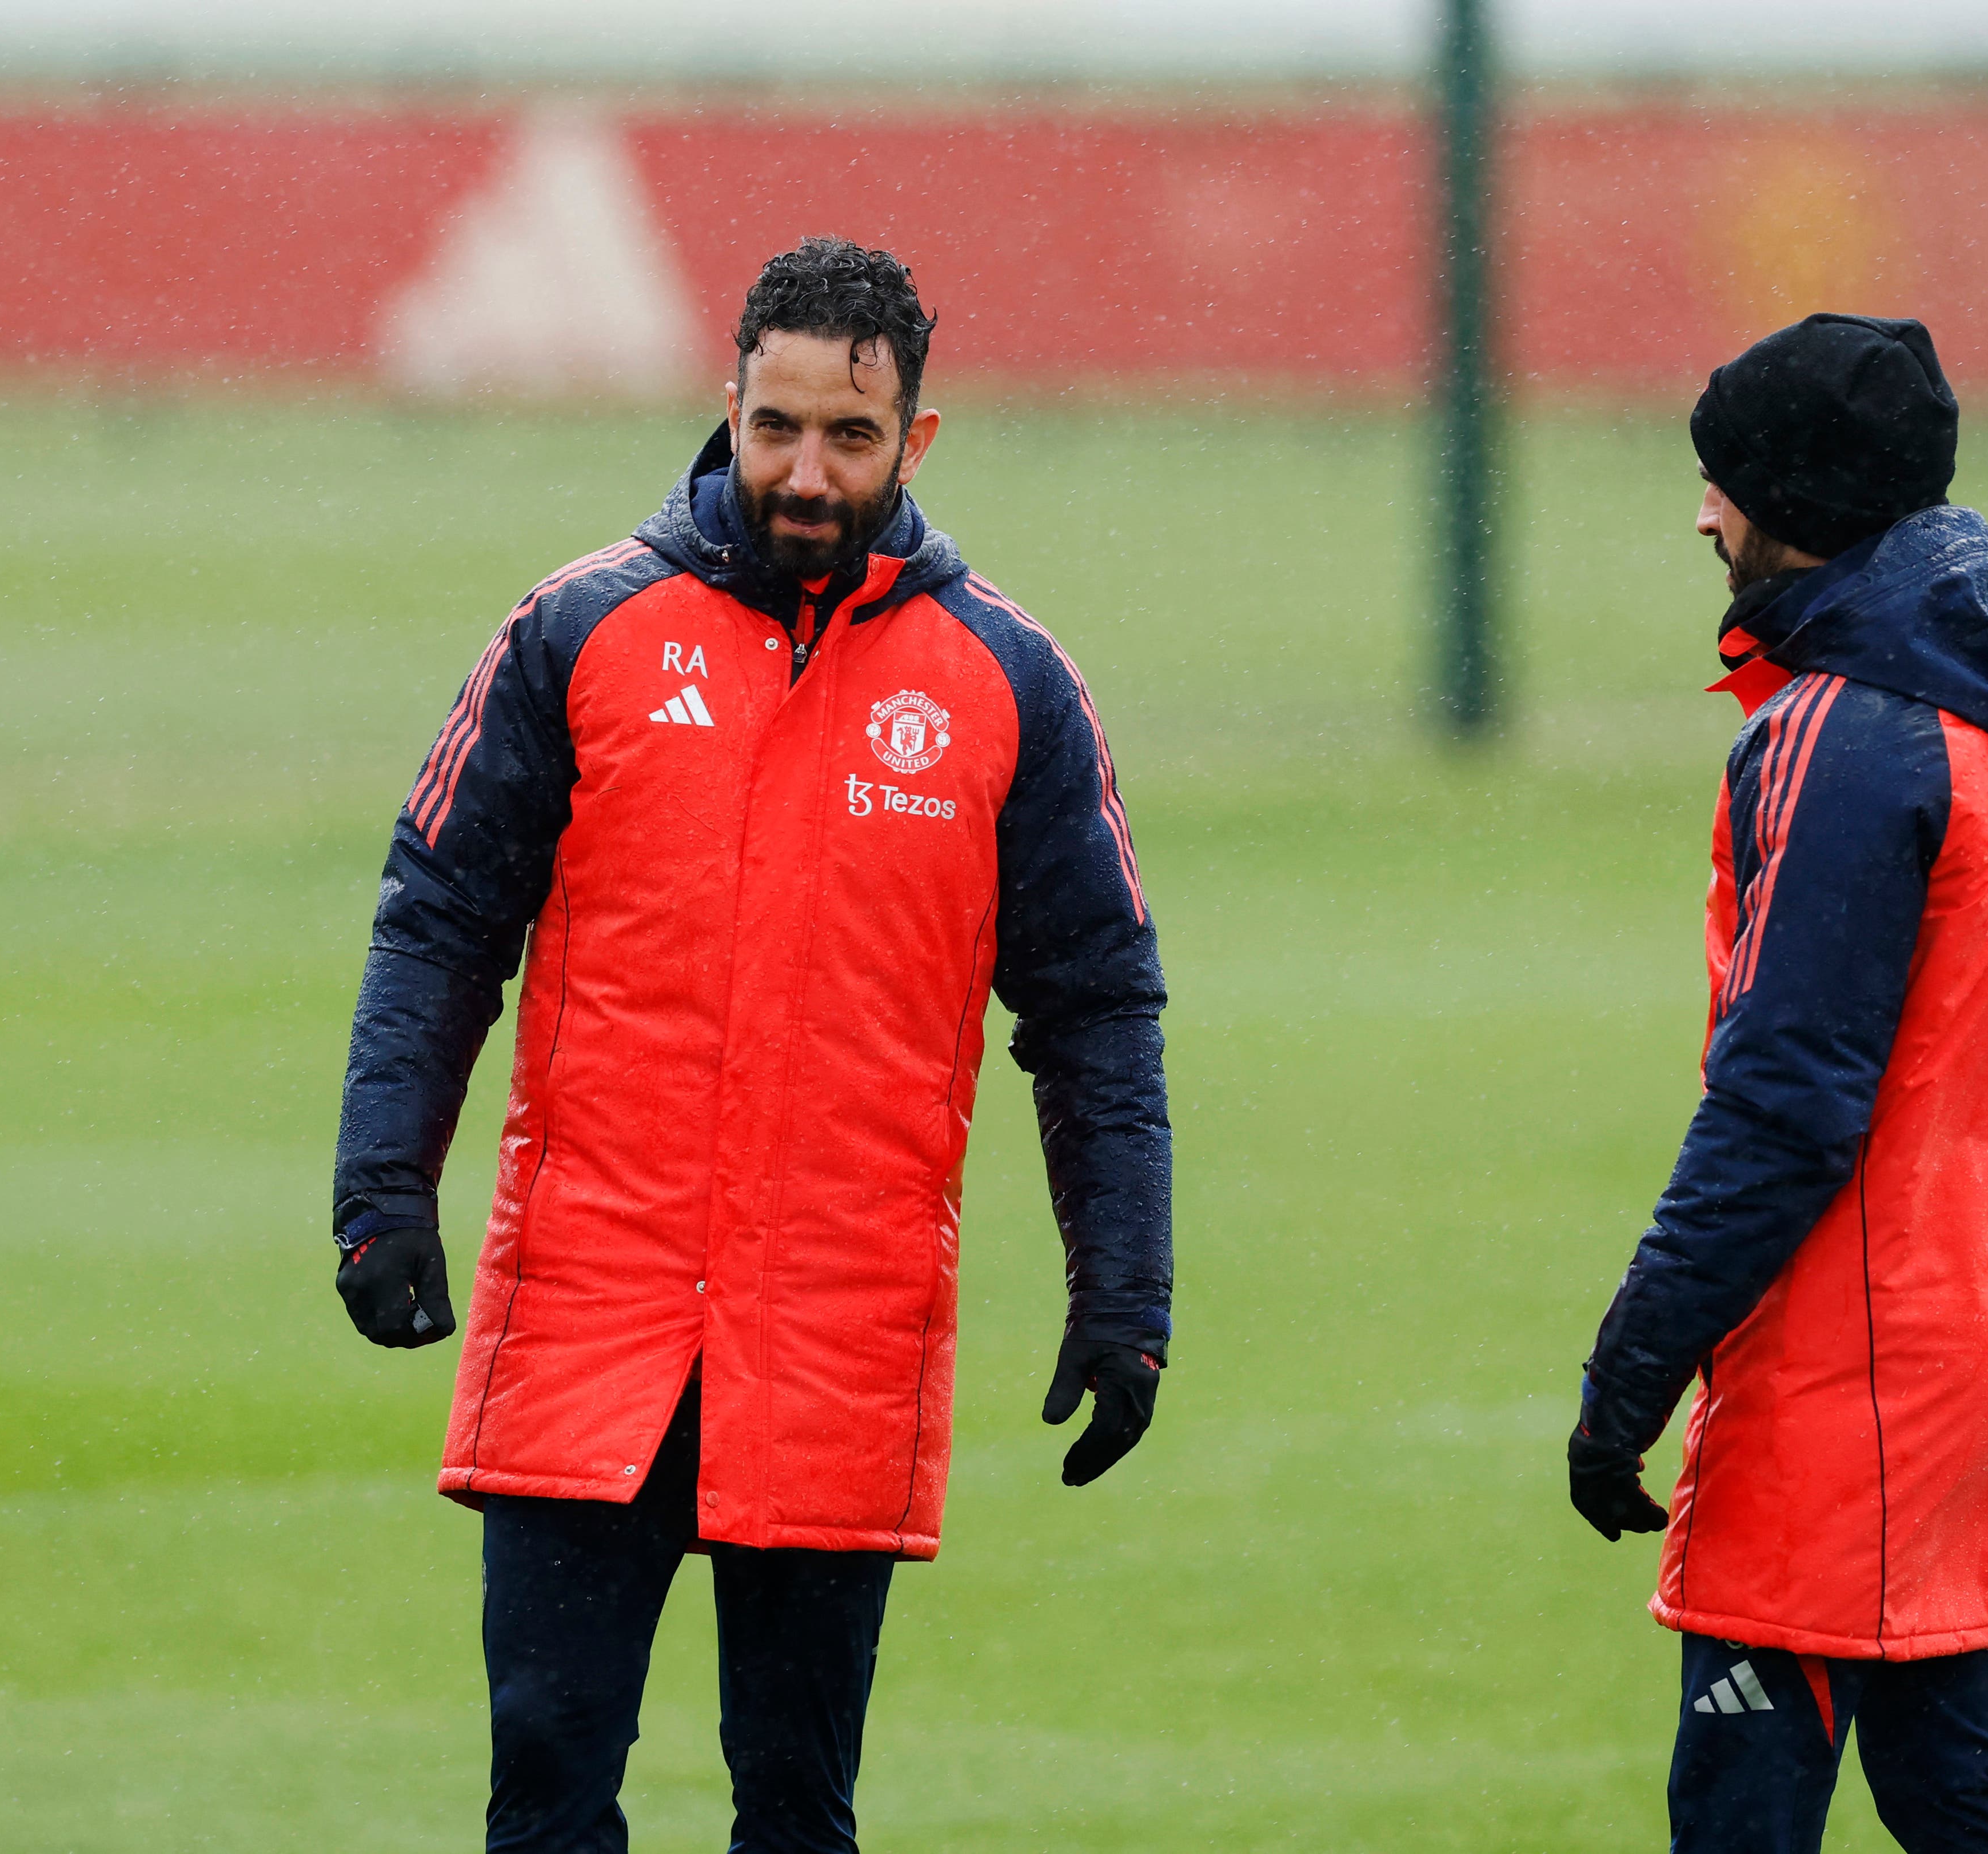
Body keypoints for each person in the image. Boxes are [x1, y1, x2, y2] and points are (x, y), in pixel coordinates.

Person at [329, 236, 1171, 1850]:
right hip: (592, 1306)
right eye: (775, 426)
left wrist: (1122, 1290)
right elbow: (436, 915)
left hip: (838, 1327)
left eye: (848, 439)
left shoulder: (1007, 683)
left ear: (915, 441)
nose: (803, 471)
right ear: (726, 405)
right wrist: (381, 1186)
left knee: (796, 1803)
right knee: (546, 1781)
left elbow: (1095, 1008)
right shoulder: (577, 633)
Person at [1568, 314, 1988, 1852]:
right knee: (1958, 1793)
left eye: (1723, 479)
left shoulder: (1836, 735)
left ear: (1793, 502)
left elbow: (1782, 1107)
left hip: (1847, 1388)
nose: (1703, 511)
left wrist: (1629, 1369)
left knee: (1740, 1815)